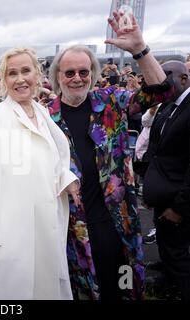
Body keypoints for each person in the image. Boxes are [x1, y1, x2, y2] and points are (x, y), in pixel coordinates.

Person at [46, 11, 172, 300]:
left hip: (117, 222)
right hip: (69, 226)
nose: (77, 78)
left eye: (84, 72)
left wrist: (139, 49)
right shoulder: (45, 117)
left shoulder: (111, 102)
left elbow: (160, 91)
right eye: (69, 73)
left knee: (122, 284)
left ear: (93, 73)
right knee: (82, 291)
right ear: (57, 77)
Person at [0, 47, 80, 300]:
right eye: (12, 73)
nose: (20, 79)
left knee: (45, 285)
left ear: (37, 74)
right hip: (13, 229)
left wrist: (67, 179)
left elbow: (52, 160)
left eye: (26, 71)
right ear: (4, 80)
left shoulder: (42, 112)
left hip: (46, 219)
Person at [142, 61, 190, 300]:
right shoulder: (166, 106)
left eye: (165, 75)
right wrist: (149, 188)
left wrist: (179, 208)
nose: (159, 80)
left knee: (178, 254)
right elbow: (156, 150)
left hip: (179, 202)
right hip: (163, 195)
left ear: (183, 79)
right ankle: (169, 284)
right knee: (167, 247)